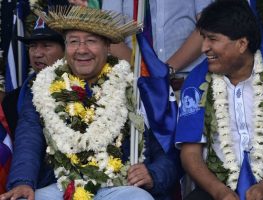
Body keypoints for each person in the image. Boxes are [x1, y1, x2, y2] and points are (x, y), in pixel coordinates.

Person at [0, 5, 180, 200]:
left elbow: (166, 147)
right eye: (74, 41)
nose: (82, 50)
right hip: (60, 185)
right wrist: (22, 182)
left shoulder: (134, 86)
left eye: (91, 41)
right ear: (66, 46)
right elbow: (29, 138)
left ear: (107, 46)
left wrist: (153, 174)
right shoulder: (41, 86)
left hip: (119, 186)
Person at [175, 1, 263, 200]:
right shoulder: (195, 83)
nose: (204, 48)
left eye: (212, 39)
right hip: (218, 187)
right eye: (204, 38)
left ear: (242, 44)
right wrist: (220, 192)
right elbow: (190, 155)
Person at [1, 17, 65, 137]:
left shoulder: (82, 93)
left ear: (65, 51)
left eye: (46, 46)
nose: (37, 53)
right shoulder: (11, 102)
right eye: (33, 46)